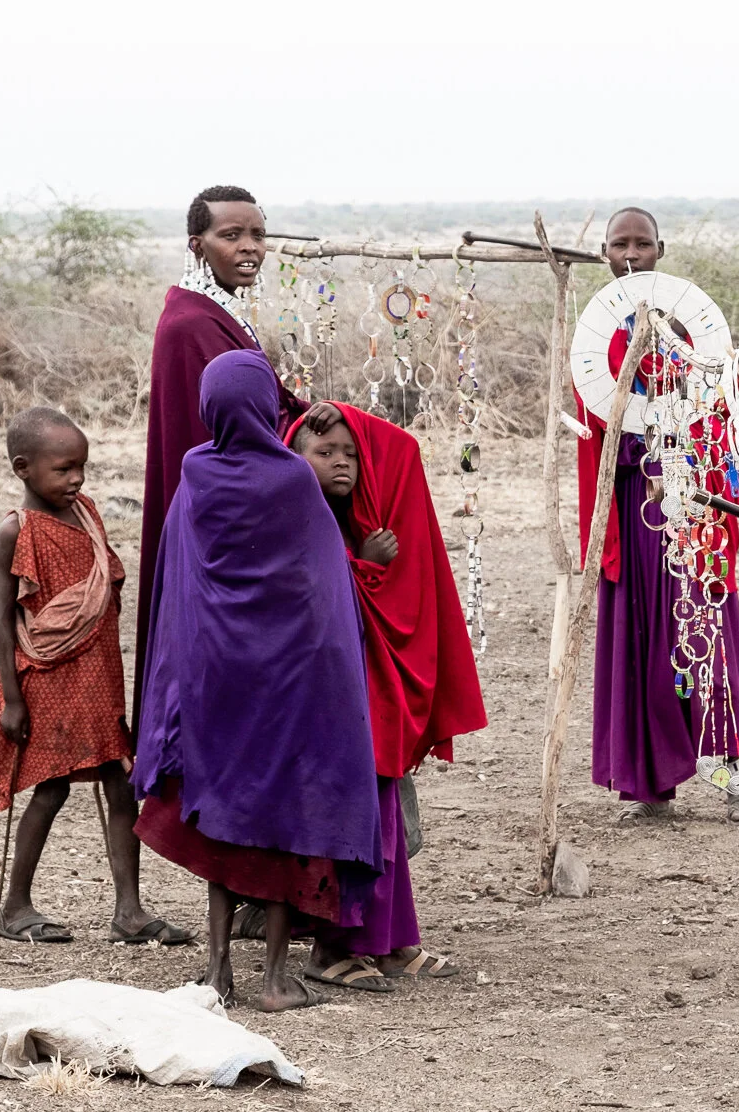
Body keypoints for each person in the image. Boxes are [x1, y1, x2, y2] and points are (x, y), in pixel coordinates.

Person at [132, 351, 381, 1012]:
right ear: (270, 407)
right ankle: (273, 976)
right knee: (284, 825)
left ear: (212, 407)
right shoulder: (293, 480)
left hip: (217, 681)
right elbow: (323, 584)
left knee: (225, 822)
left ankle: (216, 970)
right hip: (291, 679)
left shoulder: (195, 475)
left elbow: (178, 579)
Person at [286, 405, 488, 989]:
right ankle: (330, 948)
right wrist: (364, 568)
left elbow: (401, 445)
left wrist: (345, 414)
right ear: (293, 459)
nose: (341, 463)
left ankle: (393, 940)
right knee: (345, 818)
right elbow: (306, 591)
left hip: (365, 692)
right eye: (324, 453)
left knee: (385, 812)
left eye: (351, 453)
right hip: (321, 701)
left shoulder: (360, 518)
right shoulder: (293, 515)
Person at [577, 207, 739, 823]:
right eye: (619, 244)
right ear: (604, 252)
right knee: (640, 633)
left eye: (642, 243)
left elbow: (717, 418)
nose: (631, 254)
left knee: (704, 629)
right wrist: (635, 439)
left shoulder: (689, 337)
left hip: (689, 509)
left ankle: (733, 774)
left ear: (662, 249)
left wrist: (680, 427)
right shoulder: (595, 342)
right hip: (634, 510)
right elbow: (594, 429)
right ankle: (649, 783)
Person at [0, 406, 189, 947]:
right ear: (24, 468)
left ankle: (130, 911)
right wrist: (13, 699)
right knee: (50, 790)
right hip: (48, 680)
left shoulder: (88, 514)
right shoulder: (16, 532)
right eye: (64, 469)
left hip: (99, 678)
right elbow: (3, 617)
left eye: (82, 468)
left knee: (122, 786)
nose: (77, 479)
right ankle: (16, 904)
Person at [133, 185, 337, 731]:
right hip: (220, 524)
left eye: (258, 235)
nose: (250, 247)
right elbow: (231, 430)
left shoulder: (214, 311)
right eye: (232, 236)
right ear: (197, 244)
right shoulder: (191, 325)